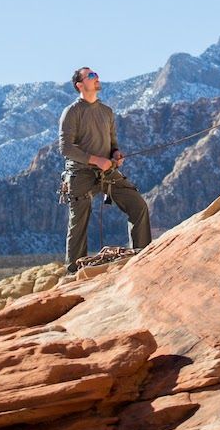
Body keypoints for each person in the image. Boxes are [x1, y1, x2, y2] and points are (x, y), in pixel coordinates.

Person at [59, 66, 152, 274]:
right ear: (80, 85)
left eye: (96, 74)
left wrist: (116, 155)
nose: (97, 77)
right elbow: (66, 148)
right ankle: (74, 271)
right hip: (80, 173)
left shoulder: (107, 112)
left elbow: (112, 143)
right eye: (91, 76)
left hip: (107, 172)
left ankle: (142, 256)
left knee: (138, 205)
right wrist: (95, 160)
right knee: (78, 222)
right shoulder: (72, 112)